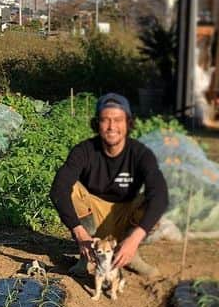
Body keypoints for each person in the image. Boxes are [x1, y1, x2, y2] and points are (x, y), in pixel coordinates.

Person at [49, 93, 168, 278]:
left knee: (153, 200)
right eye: (105, 120)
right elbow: (58, 188)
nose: (112, 127)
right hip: (92, 221)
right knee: (70, 189)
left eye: (118, 120)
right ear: (97, 124)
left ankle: (131, 253)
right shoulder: (84, 151)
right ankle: (87, 256)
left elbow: (160, 194)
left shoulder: (140, 154)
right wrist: (79, 233)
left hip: (125, 217)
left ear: (128, 123)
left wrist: (134, 239)